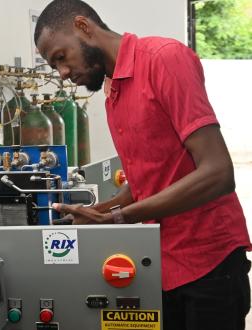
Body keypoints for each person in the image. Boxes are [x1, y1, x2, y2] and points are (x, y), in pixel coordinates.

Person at [34, 1, 251, 329]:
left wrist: (119, 218)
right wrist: (100, 213)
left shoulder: (164, 59)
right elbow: (150, 176)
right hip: (161, 264)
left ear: (83, 26)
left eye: (61, 58)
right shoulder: (113, 92)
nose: (63, 74)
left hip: (210, 265)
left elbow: (218, 172)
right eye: (55, 67)